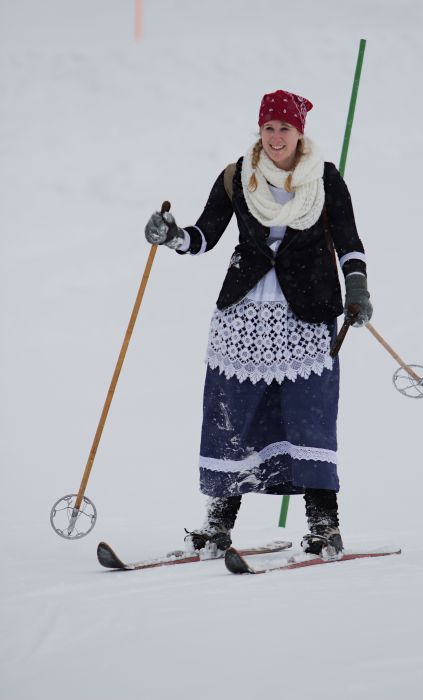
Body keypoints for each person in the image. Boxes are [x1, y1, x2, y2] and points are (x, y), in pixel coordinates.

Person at [144, 89, 372, 559]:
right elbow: (204, 235)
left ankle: (324, 525)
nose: (274, 137)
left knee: (309, 417)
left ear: (299, 133)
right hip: (242, 315)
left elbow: (350, 241)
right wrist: (172, 236)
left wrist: (357, 288)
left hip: (305, 314)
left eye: (283, 128)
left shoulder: (325, 179)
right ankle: (217, 525)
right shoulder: (236, 176)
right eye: (268, 128)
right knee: (233, 416)